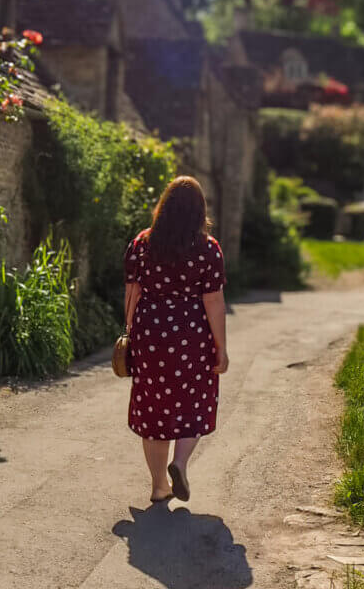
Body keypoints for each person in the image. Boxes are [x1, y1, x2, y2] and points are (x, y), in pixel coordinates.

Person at [123, 176, 228, 504]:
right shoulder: (208, 249)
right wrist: (221, 348)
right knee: (193, 401)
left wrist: (131, 331)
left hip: (150, 334)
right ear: (200, 212)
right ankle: (179, 463)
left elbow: (133, 291)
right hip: (192, 336)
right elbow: (213, 301)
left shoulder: (142, 242)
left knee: (153, 408)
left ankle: (158, 486)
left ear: (164, 207)